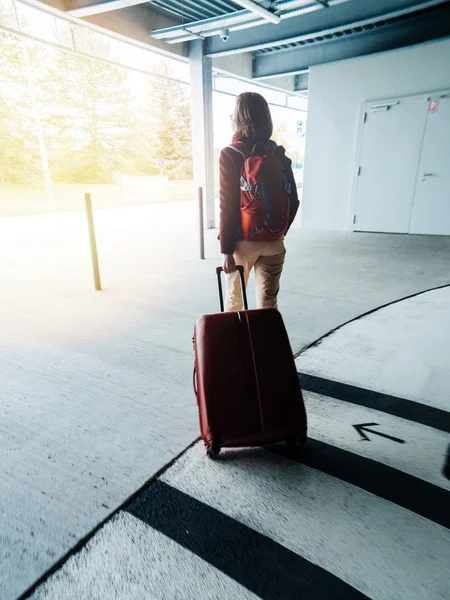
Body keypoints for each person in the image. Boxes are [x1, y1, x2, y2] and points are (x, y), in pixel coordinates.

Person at [219, 92, 299, 311]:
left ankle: (235, 345)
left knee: (234, 304)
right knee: (268, 305)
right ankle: (264, 344)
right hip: (274, 242)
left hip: (243, 242)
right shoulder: (278, 154)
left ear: (239, 118)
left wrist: (226, 250)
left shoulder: (231, 154)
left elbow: (228, 206)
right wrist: (277, 230)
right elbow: (294, 199)